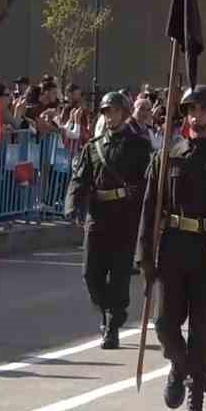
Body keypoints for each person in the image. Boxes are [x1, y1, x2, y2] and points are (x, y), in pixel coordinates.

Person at [138, 85, 206, 411]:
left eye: (201, 110)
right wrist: (144, 254)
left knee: (201, 329)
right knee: (164, 324)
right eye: (190, 110)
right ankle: (179, 364)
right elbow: (150, 209)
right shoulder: (167, 157)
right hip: (173, 248)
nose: (195, 116)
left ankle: (195, 401)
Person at [66, 91, 153, 349]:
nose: (109, 116)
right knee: (90, 274)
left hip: (125, 217)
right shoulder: (93, 147)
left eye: (114, 111)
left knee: (118, 275)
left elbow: (149, 181)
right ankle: (107, 312)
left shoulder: (139, 146)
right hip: (98, 216)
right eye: (106, 112)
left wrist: (145, 207)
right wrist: (72, 205)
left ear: (124, 114)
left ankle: (112, 325)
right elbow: (80, 179)